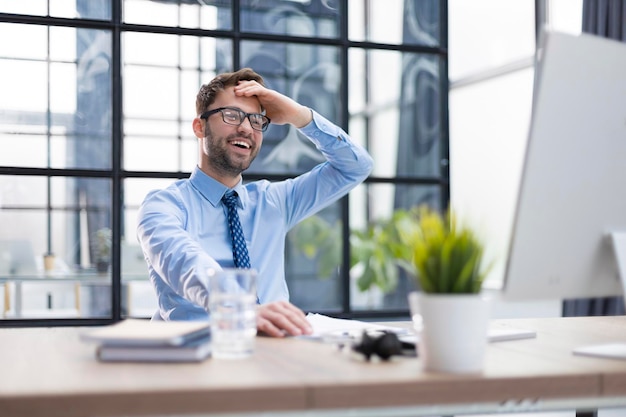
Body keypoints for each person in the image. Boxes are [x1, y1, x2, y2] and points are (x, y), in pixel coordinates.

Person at [136, 67, 373, 337]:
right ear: (199, 127)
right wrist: (241, 308)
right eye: (232, 115)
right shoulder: (164, 206)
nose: (246, 128)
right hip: (200, 359)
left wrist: (301, 117)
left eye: (256, 120)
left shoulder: (274, 201)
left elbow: (356, 166)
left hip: (278, 356)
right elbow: (185, 261)